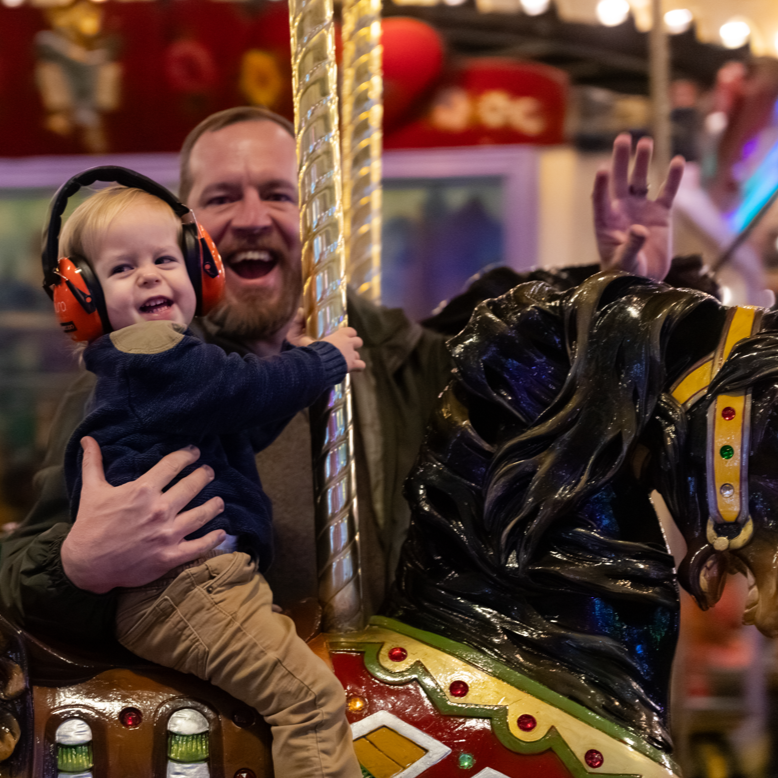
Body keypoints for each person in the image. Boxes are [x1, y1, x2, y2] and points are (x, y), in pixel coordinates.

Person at [0, 108, 686, 653]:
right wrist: (81, 565)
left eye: (277, 193)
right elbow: (16, 573)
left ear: (314, 219)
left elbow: (550, 409)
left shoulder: (408, 365)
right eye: (220, 197)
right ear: (192, 239)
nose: (250, 216)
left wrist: (621, 293)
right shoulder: (132, 381)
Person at [57, 181, 364, 777]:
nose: (149, 276)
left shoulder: (161, 371)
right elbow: (247, 388)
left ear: (200, 271)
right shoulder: (153, 351)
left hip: (200, 586)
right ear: (84, 297)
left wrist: (300, 378)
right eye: (123, 268)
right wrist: (324, 360)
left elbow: (243, 427)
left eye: (164, 260)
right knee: (311, 703)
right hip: (189, 588)